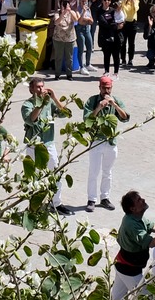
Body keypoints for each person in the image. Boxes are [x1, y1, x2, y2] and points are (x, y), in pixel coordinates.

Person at [21, 76, 74, 212]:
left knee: (56, 172)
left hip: (49, 143)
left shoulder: (50, 102)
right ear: (31, 89)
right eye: (38, 87)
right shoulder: (27, 105)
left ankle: (56, 203)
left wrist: (54, 98)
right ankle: (34, 205)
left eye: (42, 86)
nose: (41, 89)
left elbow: (65, 114)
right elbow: (31, 120)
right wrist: (41, 104)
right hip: (34, 145)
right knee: (35, 176)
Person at [83, 76, 130, 209]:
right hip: (96, 140)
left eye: (108, 88)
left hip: (110, 141)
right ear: (99, 88)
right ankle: (91, 199)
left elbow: (125, 117)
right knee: (94, 171)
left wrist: (114, 105)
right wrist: (98, 108)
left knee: (107, 172)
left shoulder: (117, 100)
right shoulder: (92, 101)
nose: (106, 91)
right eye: (104, 88)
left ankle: (105, 197)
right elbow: (86, 120)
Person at [109, 191, 153, 300]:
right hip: (129, 269)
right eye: (139, 200)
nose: (143, 200)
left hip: (122, 265)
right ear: (133, 209)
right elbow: (150, 242)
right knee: (146, 299)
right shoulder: (132, 224)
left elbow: (153, 226)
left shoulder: (136, 217)